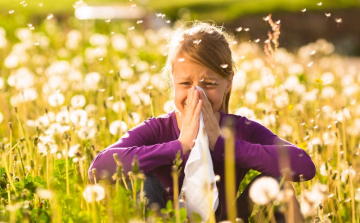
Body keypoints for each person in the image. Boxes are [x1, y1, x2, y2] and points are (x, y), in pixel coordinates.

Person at [88, 21, 316, 222]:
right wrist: (180, 146)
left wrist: (225, 145)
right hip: (164, 219)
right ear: (172, 82)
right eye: (186, 84)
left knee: (279, 185)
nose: (197, 94)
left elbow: (304, 166)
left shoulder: (239, 129)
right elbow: (98, 169)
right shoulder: (157, 129)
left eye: (209, 84)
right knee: (142, 183)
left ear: (228, 83)